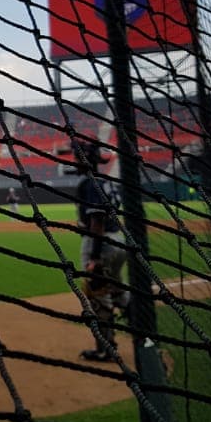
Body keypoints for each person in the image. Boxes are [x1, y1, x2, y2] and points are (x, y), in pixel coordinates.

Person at [72, 140, 128, 362]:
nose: (74, 162)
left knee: (98, 295)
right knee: (118, 291)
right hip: (119, 241)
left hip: (101, 244)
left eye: (77, 158)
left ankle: (106, 349)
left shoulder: (88, 183)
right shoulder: (105, 181)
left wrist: (94, 257)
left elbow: (97, 220)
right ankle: (145, 334)